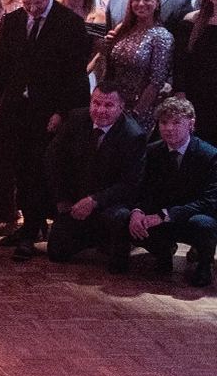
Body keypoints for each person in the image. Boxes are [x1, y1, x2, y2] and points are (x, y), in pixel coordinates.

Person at [0, 0, 96, 252]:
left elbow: (75, 75)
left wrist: (61, 112)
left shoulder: (69, 23)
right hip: (19, 108)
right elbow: (8, 66)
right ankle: (29, 223)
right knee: (21, 167)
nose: (32, 9)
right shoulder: (14, 21)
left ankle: (33, 231)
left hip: (50, 110)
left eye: (37, 2)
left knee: (41, 169)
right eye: (26, 3)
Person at [108, 97, 216, 287]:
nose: (169, 128)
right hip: (160, 214)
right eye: (164, 122)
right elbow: (143, 189)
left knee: (203, 224)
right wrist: (138, 211)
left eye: (176, 122)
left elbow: (209, 201)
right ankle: (162, 252)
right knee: (127, 218)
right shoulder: (152, 152)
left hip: (191, 215)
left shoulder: (209, 155)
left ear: (191, 124)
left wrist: (165, 215)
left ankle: (204, 266)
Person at [40, 86, 147, 264]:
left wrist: (94, 200)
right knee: (57, 252)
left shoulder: (133, 135)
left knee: (118, 217)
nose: (101, 110)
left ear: (121, 107)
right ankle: (95, 239)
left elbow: (130, 183)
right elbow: (52, 158)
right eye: (96, 103)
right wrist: (62, 198)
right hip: (76, 199)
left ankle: (114, 243)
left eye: (108, 105)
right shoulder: (76, 118)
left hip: (109, 203)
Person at [93, 0, 173, 131]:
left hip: (139, 112)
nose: (141, 3)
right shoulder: (123, 30)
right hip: (113, 106)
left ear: (157, 2)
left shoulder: (161, 36)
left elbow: (156, 83)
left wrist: (135, 113)